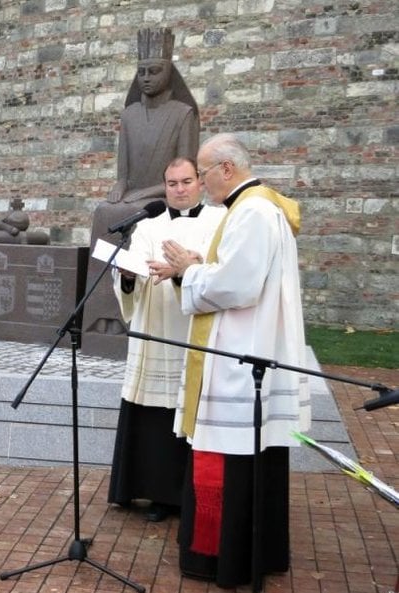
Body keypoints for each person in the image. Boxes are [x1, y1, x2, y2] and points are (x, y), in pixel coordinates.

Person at [160, 133, 311, 587]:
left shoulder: (252, 211)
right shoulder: (260, 208)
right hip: (250, 349)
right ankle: (251, 552)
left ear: (226, 169)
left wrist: (190, 269)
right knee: (249, 459)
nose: (202, 185)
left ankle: (221, 557)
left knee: (227, 459)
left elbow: (237, 286)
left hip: (240, 362)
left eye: (203, 174)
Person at [106, 158, 225, 522]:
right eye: (171, 183)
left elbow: (222, 271)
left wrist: (185, 270)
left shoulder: (220, 222)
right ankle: (151, 490)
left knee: (187, 408)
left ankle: (184, 494)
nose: (179, 189)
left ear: (200, 183)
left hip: (193, 330)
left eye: (186, 181)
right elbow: (134, 277)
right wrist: (127, 276)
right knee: (153, 413)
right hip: (155, 329)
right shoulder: (147, 225)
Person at [80, 27, 199, 357]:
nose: (146, 78)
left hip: (164, 198)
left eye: (154, 71)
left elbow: (184, 174)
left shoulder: (183, 114)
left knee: (120, 214)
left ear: (168, 72)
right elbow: (123, 171)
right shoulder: (130, 114)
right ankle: (101, 317)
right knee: (105, 212)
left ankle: (126, 317)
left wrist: (144, 192)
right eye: (141, 72)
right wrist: (121, 185)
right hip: (133, 195)